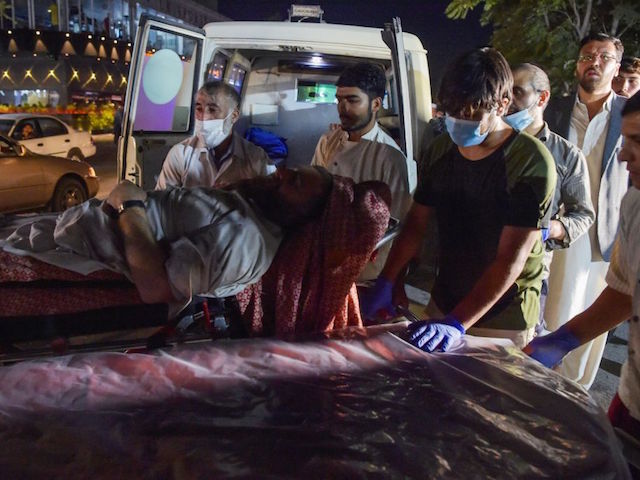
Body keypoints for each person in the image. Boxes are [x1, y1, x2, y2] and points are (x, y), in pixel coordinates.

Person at [362, 47, 556, 351]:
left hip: (503, 315)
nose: (458, 121)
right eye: (451, 111)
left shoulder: (530, 161)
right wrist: (388, 279)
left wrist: (457, 323)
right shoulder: (441, 149)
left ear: (502, 105)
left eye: (471, 113)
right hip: (444, 299)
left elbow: (511, 258)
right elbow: (415, 224)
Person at [5, 166, 333, 310]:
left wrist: (129, 205)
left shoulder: (245, 241)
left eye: (295, 183)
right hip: (65, 232)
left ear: (302, 216)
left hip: (68, 250)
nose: (282, 173)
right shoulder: (250, 209)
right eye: (292, 170)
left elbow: (156, 288)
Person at [524, 90, 640, 441]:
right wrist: (561, 340)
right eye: (624, 140)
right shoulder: (634, 203)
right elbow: (624, 292)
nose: (623, 155)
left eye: (637, 141)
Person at [543, 33, 629, 388]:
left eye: (604, 57)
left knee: (591, 325)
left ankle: (573, 396)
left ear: (617, 68)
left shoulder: (630, 113)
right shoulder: (554, 109)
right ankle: (537, 388)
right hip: (555, 230)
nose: (594, 62)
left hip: (606, 237)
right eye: (587, 55)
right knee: (548, 315)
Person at [504, 63, 595, 333]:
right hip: (479, 261)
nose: (508, 100)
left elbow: (583, 214)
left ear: (542, 98)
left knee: (517, 343)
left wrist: (550, 229)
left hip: (529, 273)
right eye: (505, 92)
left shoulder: (566, 155)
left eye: (518, 92)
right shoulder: (489, 143)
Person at [311, 62, 414, 279]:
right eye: (339, 100)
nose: (342, 108)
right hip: (322, 254)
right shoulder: (328, 141)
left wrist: (386, 280)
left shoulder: (390, 156)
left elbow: (396, 226)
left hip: (364, 270)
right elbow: (312, 192)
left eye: (352, 100)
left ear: (375, 104)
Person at [156, 80, 271, 190]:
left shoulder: (257, 158)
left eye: (212, 110)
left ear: (234, 116)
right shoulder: (180, 154)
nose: (204, 117)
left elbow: (273, 198)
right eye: (199, 109)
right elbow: (161, 200)